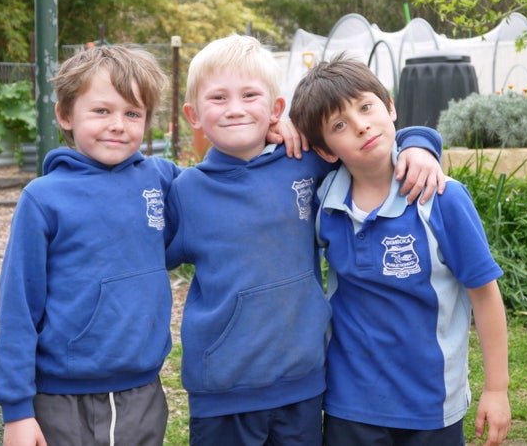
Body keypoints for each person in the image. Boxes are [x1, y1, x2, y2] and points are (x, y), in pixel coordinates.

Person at [164, 35, 446, 445]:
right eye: (218, 98)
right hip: (223, 391)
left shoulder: (305, 161)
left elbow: (365, 140)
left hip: (304, 383)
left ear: (277, 108)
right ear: (192, 114)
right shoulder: (185, 191)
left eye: (249, 95)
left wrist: (420, 143)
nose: (236, 108)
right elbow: (146, 250)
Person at [288, 55, 511, 446]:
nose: (360, 126)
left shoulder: (442, 197)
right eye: (339, 125)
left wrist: (497, 388)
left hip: (431, 404)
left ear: (390, 106)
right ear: (325, 150)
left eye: (366, 107)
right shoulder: (323, 201)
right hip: (348, 403)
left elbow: (485, 294)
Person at [0, 45, 180, 446]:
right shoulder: (43, 199)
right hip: (61, 399)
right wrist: (17, 412)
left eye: (133, 113)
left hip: (143, 392)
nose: (118, 124)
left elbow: (223, 189)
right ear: (65, 114)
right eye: (101, 111)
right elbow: (17, 308)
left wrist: (272, 139)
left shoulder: (161, 180)